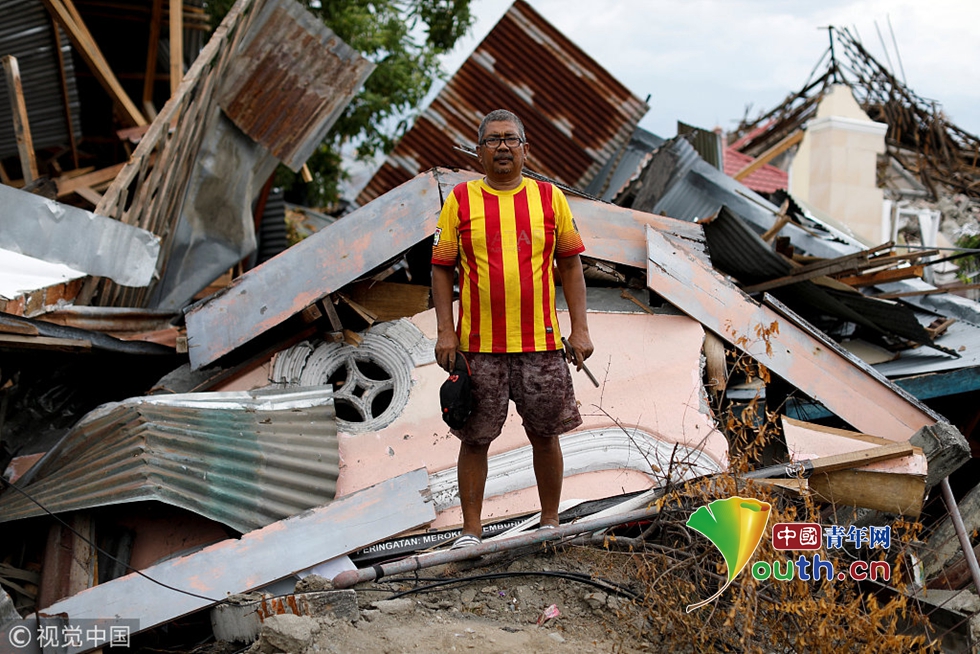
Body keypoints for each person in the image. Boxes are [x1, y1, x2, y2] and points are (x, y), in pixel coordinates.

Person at [431, 108, 594, 548]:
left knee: (545, 434)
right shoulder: (460, 199)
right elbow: (441, 268)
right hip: (478, 347)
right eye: (493, 140)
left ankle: (550, 523)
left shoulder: (549, 198)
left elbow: (571, 266)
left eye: (510, 139)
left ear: (525, 149)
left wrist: (580, 329)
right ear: (479, 151)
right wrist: (445, 332)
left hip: (541, 343)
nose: (502, 147)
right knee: (474, 438)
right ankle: (471, 532)